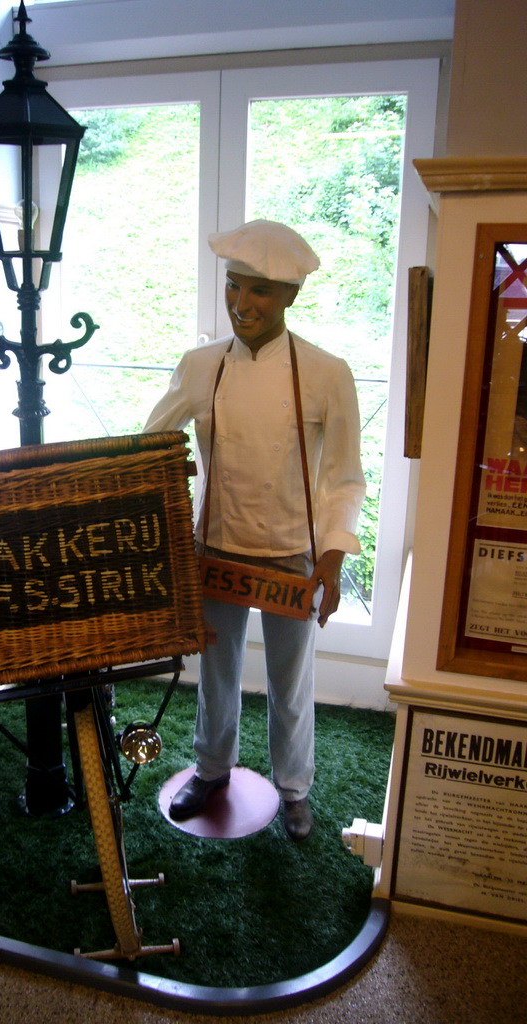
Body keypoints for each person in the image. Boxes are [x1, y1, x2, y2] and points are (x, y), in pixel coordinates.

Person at [143, 219, 365, 840]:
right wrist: (160, 511)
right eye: (234, 285)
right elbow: (148, 449)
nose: (242, 303)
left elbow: (344, 477)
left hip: (293, 554)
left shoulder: (327, 373)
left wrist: (333, 556)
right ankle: (211, 769)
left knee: (291, 678)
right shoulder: (200, 366)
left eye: (260, 290)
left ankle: (294, 787)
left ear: (291, 296)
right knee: (216, 668)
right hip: (215, 548)